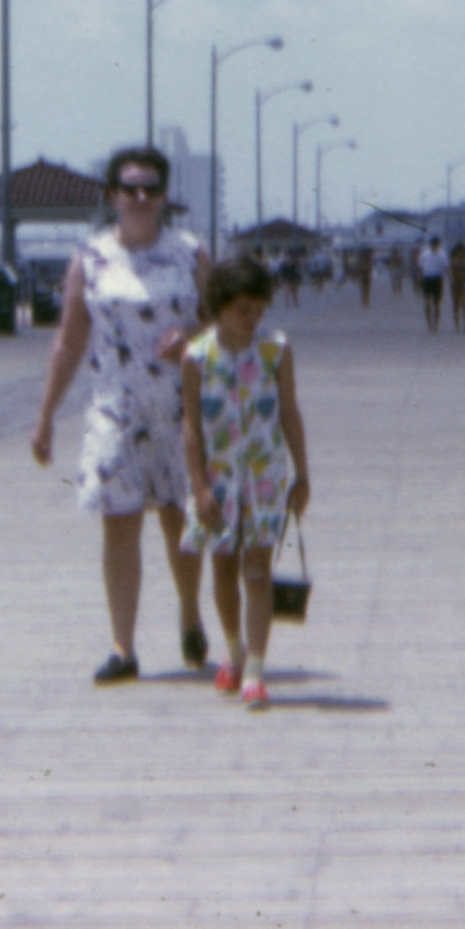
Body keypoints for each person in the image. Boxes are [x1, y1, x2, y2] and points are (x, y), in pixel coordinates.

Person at [31, 145, 211, 683]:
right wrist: (45, 416)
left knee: (180, 518)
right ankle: (123, 647)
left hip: (180, 405)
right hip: (115, 407)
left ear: (164, 195)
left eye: (150, 187)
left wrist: (193, 336)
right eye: (129, 187)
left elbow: (221, 320)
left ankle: (189, 613)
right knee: (119, 524)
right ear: (112, 195)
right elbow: (69, 341)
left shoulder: (190, 252)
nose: (140, 197)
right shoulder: (90, 258)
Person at [181, 254, 311, 711]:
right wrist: (199, 487)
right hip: (217, 481)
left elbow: (289, 412)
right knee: (223, 571)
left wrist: (302, 474)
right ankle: (233, 650)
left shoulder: (275, 350)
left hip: (264, 479)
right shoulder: (197, 356)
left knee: (256, 572)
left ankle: (255, 669)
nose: (252, 319)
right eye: (242, 310)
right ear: (219, 306)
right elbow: (191, 427)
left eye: (258, 310)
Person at [416, 236, 446, 333]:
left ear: (438, 245)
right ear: (430, 245)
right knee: (427, 303)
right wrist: (419, 280)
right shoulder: (424, 255)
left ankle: (436, 325)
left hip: (437, 279)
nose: (434, 246)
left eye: (436, 244)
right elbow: (420, 268)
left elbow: (446, 267)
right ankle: (429, 325)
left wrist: (450, 278)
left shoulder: (442, 255)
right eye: (433, 244)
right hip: (427, 279)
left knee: (436, 304)